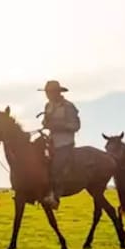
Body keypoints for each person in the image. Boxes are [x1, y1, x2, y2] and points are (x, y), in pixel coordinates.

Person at [40, 80, 80, 210]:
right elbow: (45, 122)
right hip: (51, 141)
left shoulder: (68, 106)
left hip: (65, 143)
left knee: (56, 167)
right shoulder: (48, 106)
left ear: (57, 92)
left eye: (50, 92)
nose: (48, 95)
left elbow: (76, 125)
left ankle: (55, 198)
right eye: (46, 92)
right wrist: (45, 123)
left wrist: (59, 126)